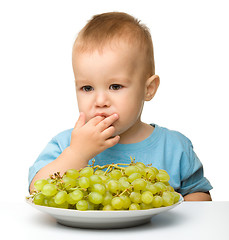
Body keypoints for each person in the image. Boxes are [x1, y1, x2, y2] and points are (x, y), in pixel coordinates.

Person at [28, 12, 212, 201]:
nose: (100, 101)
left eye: (115, 86)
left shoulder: (174, 147)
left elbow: (199, 196)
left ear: (148, 89)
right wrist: (77, 153)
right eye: (87, 88)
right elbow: (37, 190)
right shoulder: (66, 143)